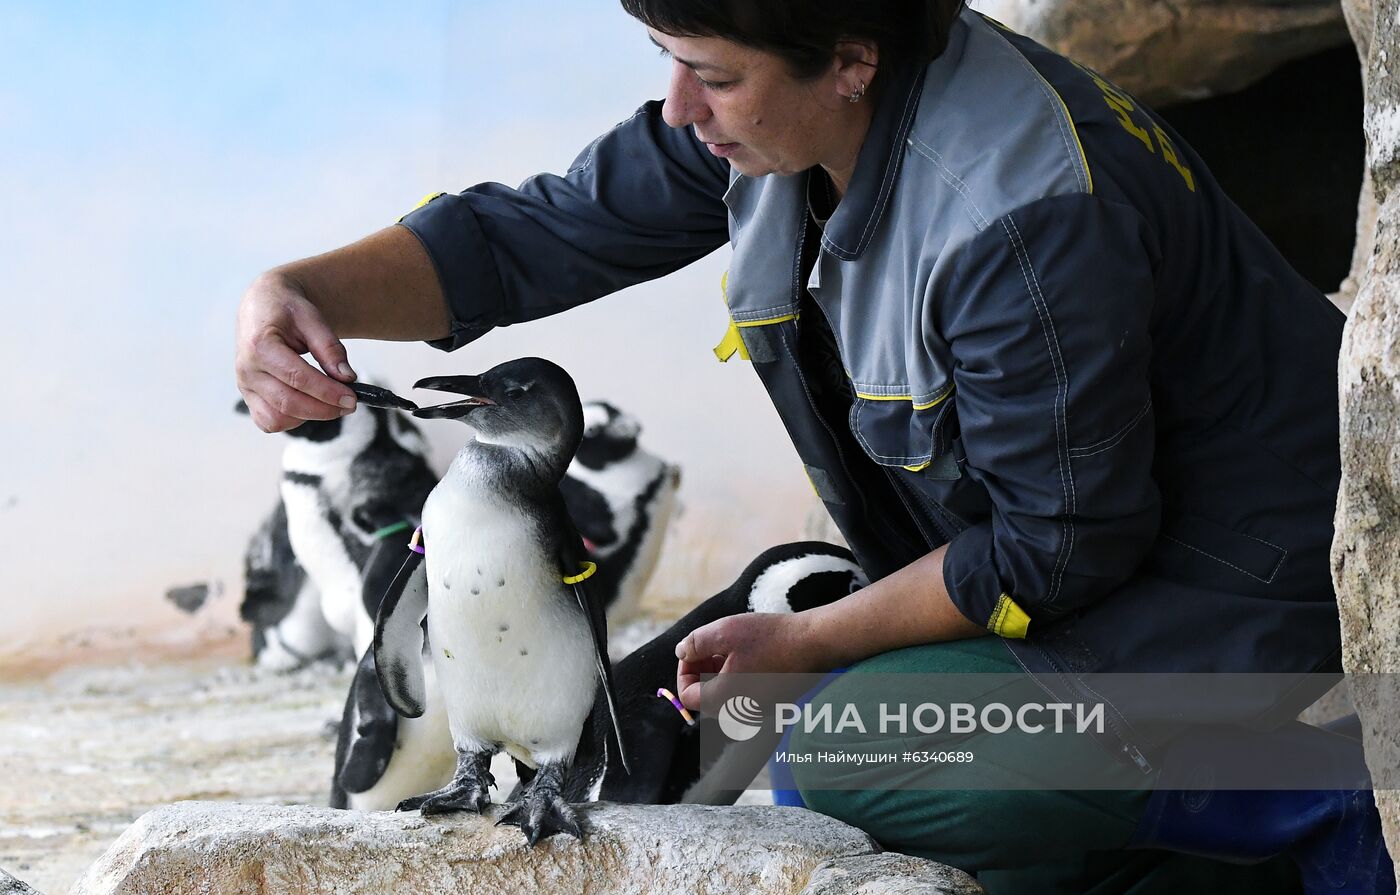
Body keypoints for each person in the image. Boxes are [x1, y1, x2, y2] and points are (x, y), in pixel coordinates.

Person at [234, 1, 1388, 892]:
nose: (680, 106)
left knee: (851, 743)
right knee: (749, 718)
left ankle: (1272, 818)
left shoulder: (1019, 225)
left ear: (849, 57)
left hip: (1253, 641)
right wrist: (297, 290)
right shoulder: (792, 115)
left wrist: (807, 641)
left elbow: (1050, 554)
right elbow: (532, 232)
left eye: (713, 75)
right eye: (668, 59)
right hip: (1116, 599)